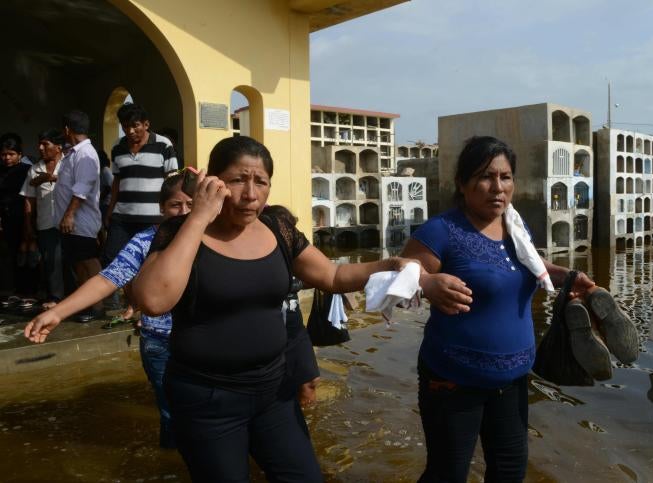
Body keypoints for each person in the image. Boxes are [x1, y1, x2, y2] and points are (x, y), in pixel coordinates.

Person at [131, 136, 446, 482]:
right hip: (207, 400)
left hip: (273, 392)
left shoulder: (277, 229)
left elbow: (334, 275)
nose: (250, 194)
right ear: (214, 182)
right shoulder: (180, 231)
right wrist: (198, 218)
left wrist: (391, 263)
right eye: (238, 180)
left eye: (260, 182)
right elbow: (152, 300)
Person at [400, 136, 635, 482]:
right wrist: (426, 282)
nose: (498, 187)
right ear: (461, 184)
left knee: (509, 471)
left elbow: (527, 263)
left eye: (505, 177)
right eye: (485, 176)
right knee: (446, 474)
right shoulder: (441, 231)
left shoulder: (514, 225)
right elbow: (400, 275)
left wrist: (568, 276)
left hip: (512, 381)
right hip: (452, 381)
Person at [25, 172, 192, 449]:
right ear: (161, 207)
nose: (183, 212)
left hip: (203, 342)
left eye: (191, 204)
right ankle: (172, 461)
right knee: (171, 412)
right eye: (176, 205)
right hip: (160, 343)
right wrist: (58, 313)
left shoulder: (209, 239)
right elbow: (108, 278)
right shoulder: (144, 241)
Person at [103, 103, 178, 268]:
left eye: (135, 125)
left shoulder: (163, 144)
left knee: (148, 264)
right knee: (111, 259)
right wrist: (110, 209)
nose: (130, 131)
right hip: (122, 218)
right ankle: (116, 294)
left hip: (153, 219)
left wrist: (170, 213)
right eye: (125, 126)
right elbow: (117, 180)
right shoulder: (117, 146)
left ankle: (137, 294)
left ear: (146, 124)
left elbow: (172, 182)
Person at [54, 110, 103, 321]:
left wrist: (69, 215)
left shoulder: (85, 154)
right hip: (72, 223)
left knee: (88, 262)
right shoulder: (73, 153)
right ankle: (87, 305)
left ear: (67, 129)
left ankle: (98, 306)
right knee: (79, 264)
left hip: (81, 222)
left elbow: (82, 188)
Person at [19, 129, 65, 306]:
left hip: (69, 221)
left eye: (45, 144)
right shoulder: (34, 169)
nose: (40, 148)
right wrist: (29, 225)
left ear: (58, 147)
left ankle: (74, 297)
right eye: (40, 144)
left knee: (69, 260)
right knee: (50, 261)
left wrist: (51, 178)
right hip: (45, 221)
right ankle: (55, 297)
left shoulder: (68, 165)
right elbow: (29, 199)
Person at [0, 132, 36, 299]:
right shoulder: (1, 172)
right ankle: (19, 289)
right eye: (4, 154)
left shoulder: (26, 171)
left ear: (19, 155)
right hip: (8, 220)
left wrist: (29, 222)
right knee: (15, 254)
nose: (7, 158)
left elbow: (29, 197)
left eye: (11, 154)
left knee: (30, 253)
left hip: (25, 218)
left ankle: (31, 290)